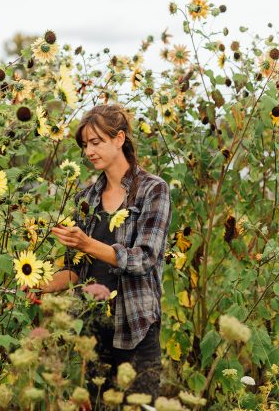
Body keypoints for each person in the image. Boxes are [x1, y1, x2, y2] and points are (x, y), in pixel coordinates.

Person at [39, 103, 172, 402]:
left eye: (96, 142)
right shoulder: (86, 198)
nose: (89, 151)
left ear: (120, 138)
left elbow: (144, 258)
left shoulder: (152, 190)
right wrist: (38, 284)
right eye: (85, 145)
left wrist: (87, 243)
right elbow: (75, 270)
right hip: (93, 329)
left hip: (135, 328)